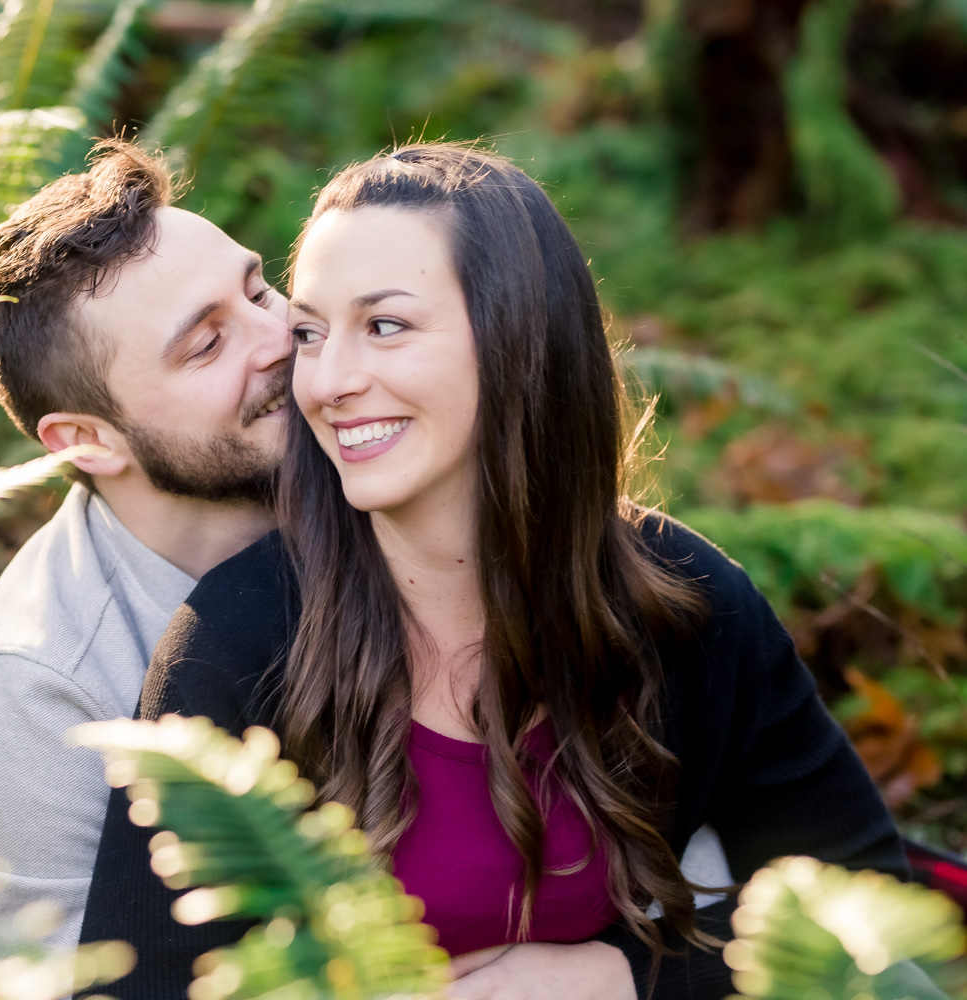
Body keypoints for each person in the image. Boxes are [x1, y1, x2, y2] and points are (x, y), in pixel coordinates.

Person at [78, 144, 906, 1000]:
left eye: (386, 326)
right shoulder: (238, 642)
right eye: (311, 335)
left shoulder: (683, 603)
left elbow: (874, 913)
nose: (327, 382)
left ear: (522, 338)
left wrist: (613, 978)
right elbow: (126, 989)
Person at [0, 139, 291, 958]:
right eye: (207, 344)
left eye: (260, 289)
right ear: (87, 440)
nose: (281, 338)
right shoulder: (29, 701)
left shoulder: (374, 492)